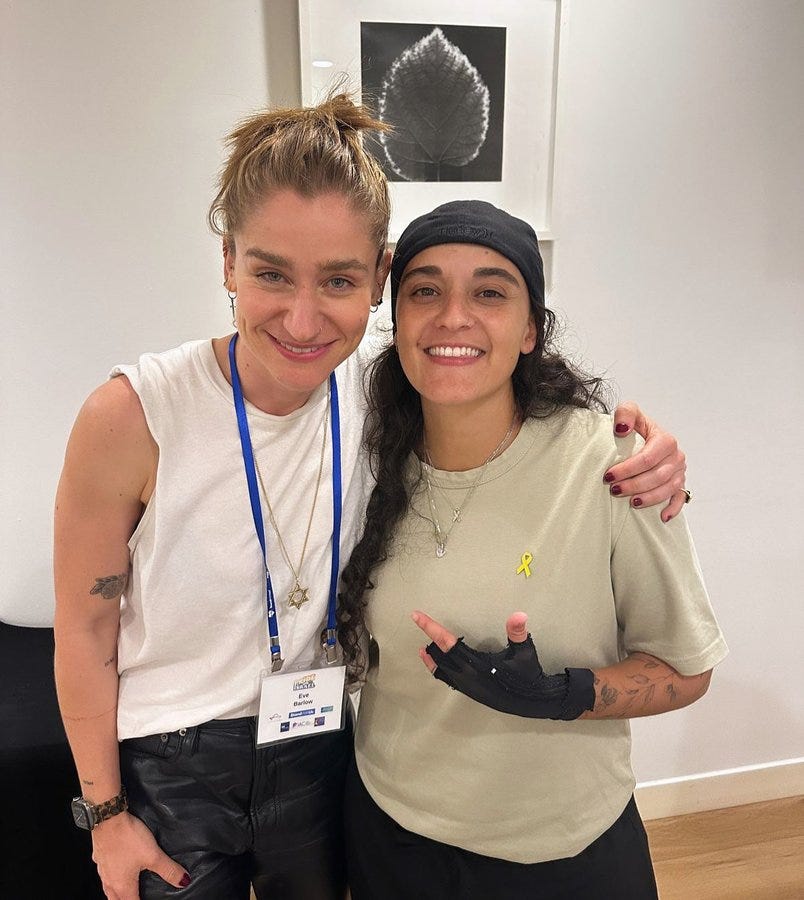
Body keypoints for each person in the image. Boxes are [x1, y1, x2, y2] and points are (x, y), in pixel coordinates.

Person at [54, 96, 688, 900]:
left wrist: (646, 450)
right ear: (227, 263)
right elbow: (83, 625)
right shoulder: (134, 413)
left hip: (320, 745)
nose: (303, 316)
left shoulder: (381, 398)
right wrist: (104, 813)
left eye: (340, 280)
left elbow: (512, 410)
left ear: (378, 277)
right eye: (270, 273)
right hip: (174, 763)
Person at [338, 200, 727, 899]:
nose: (453, 315)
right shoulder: (361, 459)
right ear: (396, 323)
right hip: (392, 835)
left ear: (530, 331)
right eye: (425, 289)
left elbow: (685, 670)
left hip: (561, 856)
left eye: (490, 291)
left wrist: (564, 695)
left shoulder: (610, 467)